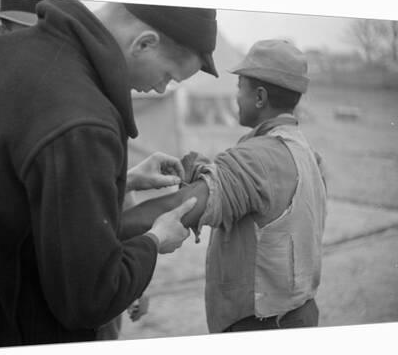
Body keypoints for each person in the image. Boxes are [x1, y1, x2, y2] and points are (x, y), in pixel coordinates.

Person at [0, 0, 218, 348]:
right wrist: (154, 242)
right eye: (168, 76)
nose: (159, 89)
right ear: (144, 43)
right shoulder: (84, 122)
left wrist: (118, 179)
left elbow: (13, 187)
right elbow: (88, 298)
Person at [122, 40, 327, 333]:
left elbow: (182, 207)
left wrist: (103, 228)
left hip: (261, 326)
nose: (235, 98)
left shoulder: (257, 157)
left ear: (259, 97)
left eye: (239, 87)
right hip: (300, 315)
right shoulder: (306, 151)